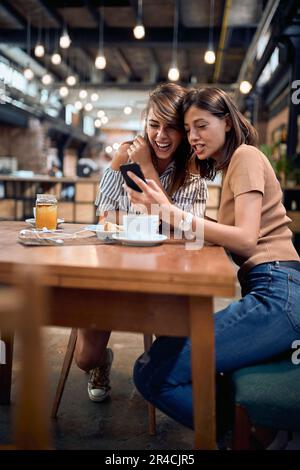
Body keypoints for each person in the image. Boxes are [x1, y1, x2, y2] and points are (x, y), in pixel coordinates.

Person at [122, 86, 300, 436]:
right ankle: (244, 433)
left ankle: (241, 440)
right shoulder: (234, 164)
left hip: (280, 297)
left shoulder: (246, 156)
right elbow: (233, 234)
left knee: (152, 372)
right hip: (273, 293)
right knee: (159, 362)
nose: (193, 137)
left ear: (227, 123)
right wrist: (166, 217)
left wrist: (170, 213)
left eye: (201, 125)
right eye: (188, 129)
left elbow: (247, 239)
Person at [74, 83, 208, 403]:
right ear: (144, 123)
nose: (161, 135)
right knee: (84, 359)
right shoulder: (123, 155)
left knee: (172, 356)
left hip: (167, 275)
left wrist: (147, 171)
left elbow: (192, 236)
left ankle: (151, 374)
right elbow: (106, 217)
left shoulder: (192, 171)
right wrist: (157, 220)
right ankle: (101, 361)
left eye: (171, 127)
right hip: (114, 269)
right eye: (153, 125)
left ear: (183, 130)